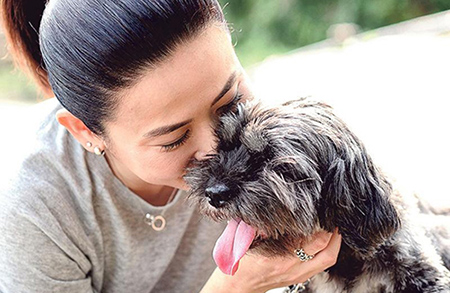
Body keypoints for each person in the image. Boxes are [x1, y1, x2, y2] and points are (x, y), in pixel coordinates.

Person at [0, 0, 342, 292]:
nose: (217, 150)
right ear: (85, 132)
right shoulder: (33, 208)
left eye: (230, 104)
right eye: (174, 139)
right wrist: (235, 287)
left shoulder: (271, 135)